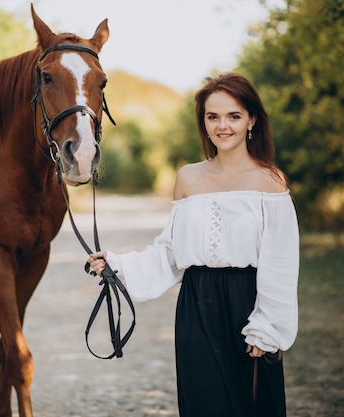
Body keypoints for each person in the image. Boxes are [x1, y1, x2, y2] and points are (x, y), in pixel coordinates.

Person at [87, 72, 299, 417]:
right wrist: (117, 263)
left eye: (234, 116)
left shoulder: (269, 181)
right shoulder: (188, 177)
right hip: (196, 307)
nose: (222, 126)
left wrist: (267, 327)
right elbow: (171, 252)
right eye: (212, 116)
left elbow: (281, 262)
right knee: (203, 405)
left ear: (252, 120)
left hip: (248, 304)